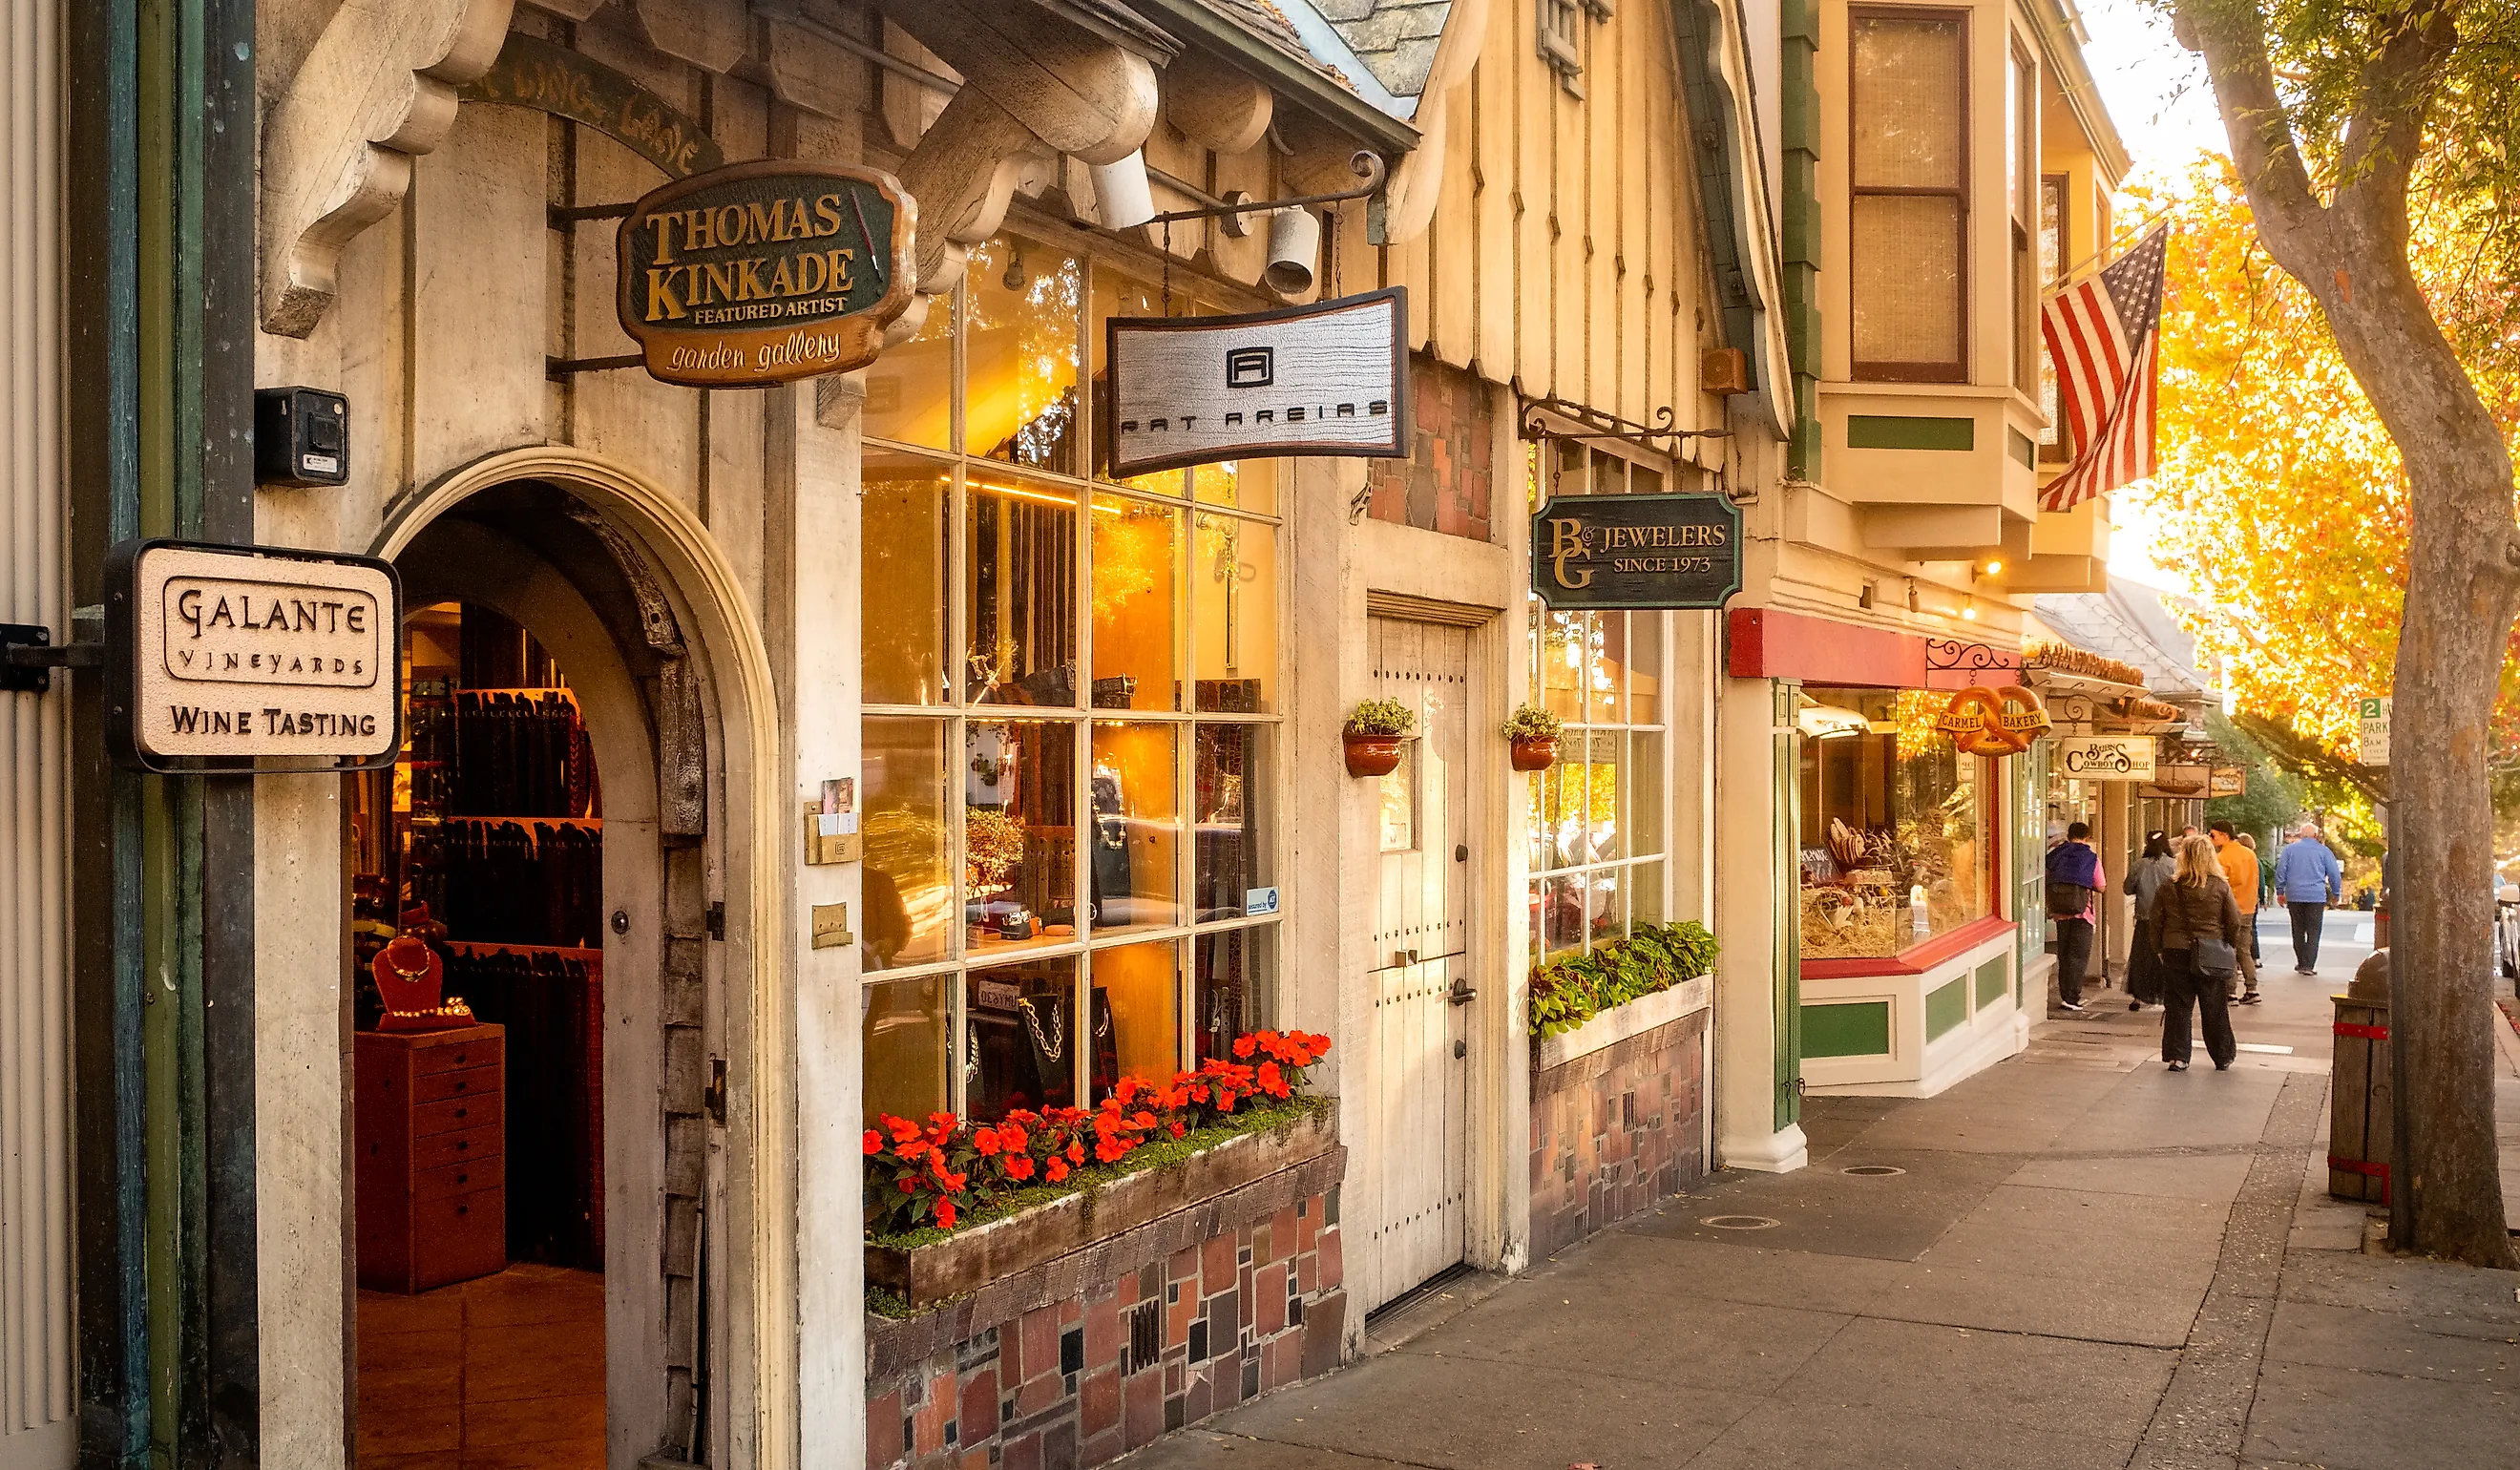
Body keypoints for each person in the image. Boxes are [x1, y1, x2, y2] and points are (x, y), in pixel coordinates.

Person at [2154, 834, 2245, 1071]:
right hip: (2210, 951)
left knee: (2178, 1005)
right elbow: (2234, 921)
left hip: (2175, 950)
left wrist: (2159, 949)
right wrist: (2229, 946)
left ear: (2183, 857)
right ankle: (2222, 1055)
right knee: (2214, 1005)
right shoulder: (2220, 887)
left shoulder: (2168, 886)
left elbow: (2156, 921)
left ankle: (2178, 1056)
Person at [2046, 822, 2105, 1012]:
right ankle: (2072, 997)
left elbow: (2046, 876)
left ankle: (2065, 994)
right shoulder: (2090, 857)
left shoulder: (2055, 854)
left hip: (2061, 912)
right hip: (2082, 913)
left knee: (2064, 954)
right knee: (2078, 956)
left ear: (2068, 835)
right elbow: (2101, 885)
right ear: (2087, 837)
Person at [2273, 823, 2344, 973]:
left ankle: (2301, 961)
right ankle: (2308, 965)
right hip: (2316, 896)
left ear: (2300, 835)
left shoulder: (2289, 850)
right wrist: (2336, 894)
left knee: (2297, 929)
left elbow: (2281, 871)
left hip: (2294, 895)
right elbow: (2334, 874)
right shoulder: (2324, 852)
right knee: (2313, 932)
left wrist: (2280, 891)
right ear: (2316, 836)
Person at [2121, 831, 2176, 1011]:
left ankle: (2139, 995)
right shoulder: (2173, 866)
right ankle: (2165, 993)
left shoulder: (2139, 865)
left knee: (2141, 957)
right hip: (2168, 919)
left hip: (2145, 918)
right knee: (2165, 957)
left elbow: (2128, 889)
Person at [2210, 821, 2263, 1004]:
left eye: (2213, 835)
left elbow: (2220, 886)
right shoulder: (2249, 854)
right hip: (2248, 908)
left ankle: (2230, 992)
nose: (2211, 839)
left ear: (2225, 835)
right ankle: (2252, 988)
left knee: (2229, 950)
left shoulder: (2222, 858)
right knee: (2244, 950)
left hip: (2229, 909)